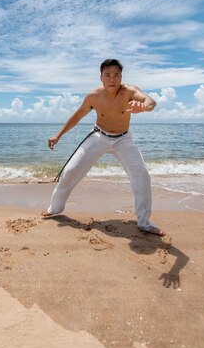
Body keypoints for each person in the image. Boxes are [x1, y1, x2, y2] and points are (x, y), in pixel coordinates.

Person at [42, 59, 164, 236]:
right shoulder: (93, 96)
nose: (112, 79)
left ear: (121, 77)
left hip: (124, 139)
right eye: (108, 75)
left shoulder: (129, 91)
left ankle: (144, 222)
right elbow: (76, 117)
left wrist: (143, 108)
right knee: (70, 171)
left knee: (142, 175)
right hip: (99, 135)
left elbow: (150, 101)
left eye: (116, 75)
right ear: (101, 78)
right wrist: (58, 135)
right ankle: (54, 208)